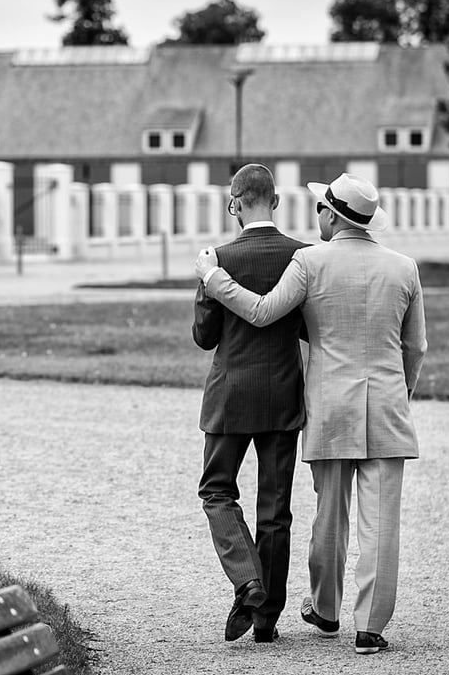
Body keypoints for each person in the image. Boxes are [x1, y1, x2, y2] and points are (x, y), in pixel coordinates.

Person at [194, 172, 427, 655]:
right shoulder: (404, 268)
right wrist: (401, 391)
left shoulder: (310, 262)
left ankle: (325, 608)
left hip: (328, 407)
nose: (315, 214)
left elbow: (261, 312)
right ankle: (370, 628)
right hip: (383, 405)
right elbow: (416, 346)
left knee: (329, 515)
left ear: (334, 215)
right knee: (380, 521)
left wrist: (215, 279)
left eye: (321, 207)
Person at [192, 163, 308, 643]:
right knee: (276, 507)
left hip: (231, 394)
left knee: (216, 490)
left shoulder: (216, 259)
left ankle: (248, 580)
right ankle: (266, 621)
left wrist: (209, 286)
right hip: (282, 392)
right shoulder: (303, 256)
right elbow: (307, 328)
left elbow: (204, 337)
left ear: (234, 203)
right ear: (276, 202)